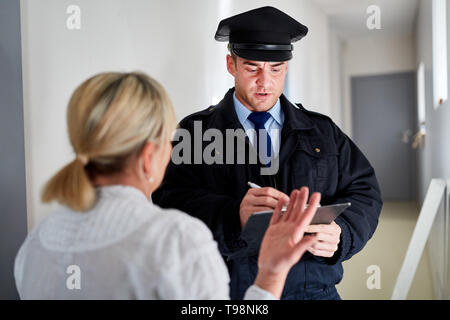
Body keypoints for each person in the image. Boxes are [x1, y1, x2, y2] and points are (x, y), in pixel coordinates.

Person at [14, 71, 322, 299]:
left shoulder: (36, 244)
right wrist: (272, 272)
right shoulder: (176, 241)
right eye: (168, 142)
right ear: (149, 156)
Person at [152, 6, 383, 300]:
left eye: (276, 69)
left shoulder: (323, 131)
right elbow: (168, 201)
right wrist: (232, 215)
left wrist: (343, 234)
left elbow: (365, 190)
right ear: (230, 65)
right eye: (252, 68)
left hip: (313, 291)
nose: (265, 82)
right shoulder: (195, 130)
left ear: (286, 67)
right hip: (228, 292)